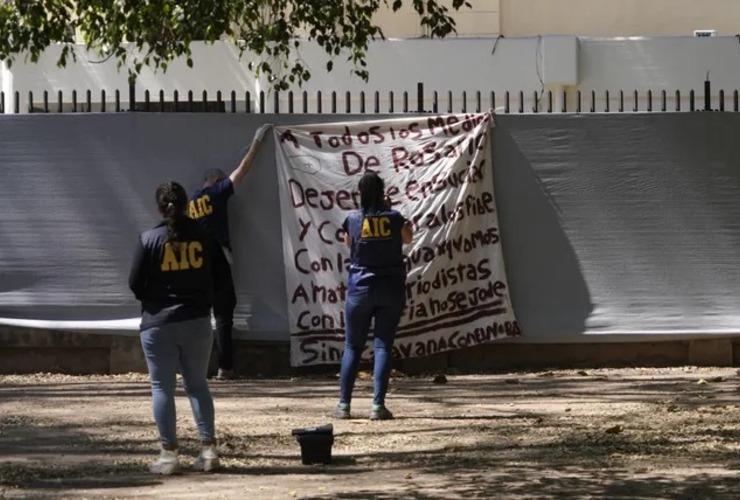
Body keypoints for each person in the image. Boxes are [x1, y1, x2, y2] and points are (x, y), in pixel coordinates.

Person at [129, 181, 228, 475]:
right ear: (187, 206)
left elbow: (135, 284)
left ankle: (169, 455)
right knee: (198, 385)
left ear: (159, 208)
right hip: (197, 321)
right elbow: (222, 277)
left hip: (158, 324)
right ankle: (208, 450)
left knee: (162, 387)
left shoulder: (148, 239)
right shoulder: (206, 238)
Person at [188, 124, 272, 380]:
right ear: (216, 181)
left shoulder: (192, 201)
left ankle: (195, 367)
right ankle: (225, 367)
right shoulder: (217, 192)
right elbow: (243, 169)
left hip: (195, 263)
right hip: (217, 260)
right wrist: (257, 141)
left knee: (199, 316)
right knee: (224, 315)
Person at [333, 171, 414, 421]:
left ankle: (344, 406)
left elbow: (349, 244)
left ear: (360, 193)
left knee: (352, 347)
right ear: (382, 192)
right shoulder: (394, 218)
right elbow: (408, 238)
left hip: (360, 289)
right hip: (390, 289)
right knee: (383, 346)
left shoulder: (353, 219)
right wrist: (390, 212)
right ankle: (378, 405)